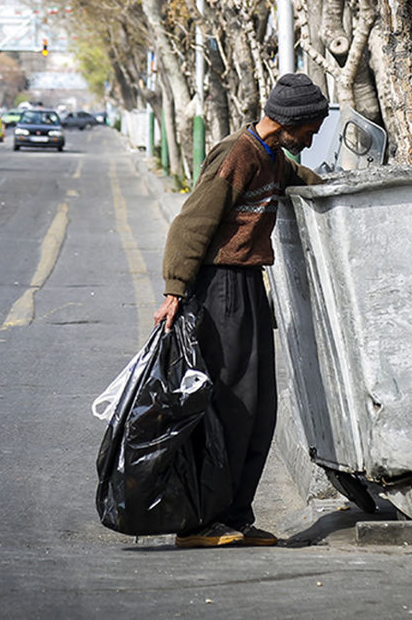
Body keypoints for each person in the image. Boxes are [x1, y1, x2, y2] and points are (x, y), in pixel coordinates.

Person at [153, 73, 329, 548]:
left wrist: (345, 191)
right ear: (290, 122)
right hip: (221, 288)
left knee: (258, 410)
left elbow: (305, 181)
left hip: (248, 287)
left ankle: (235, 516)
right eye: (311, 128)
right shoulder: (238, 153)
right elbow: (191, 223)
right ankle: (199, 524)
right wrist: (175, 289)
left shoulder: (274, 157)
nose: (313, 138)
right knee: (228, 408)